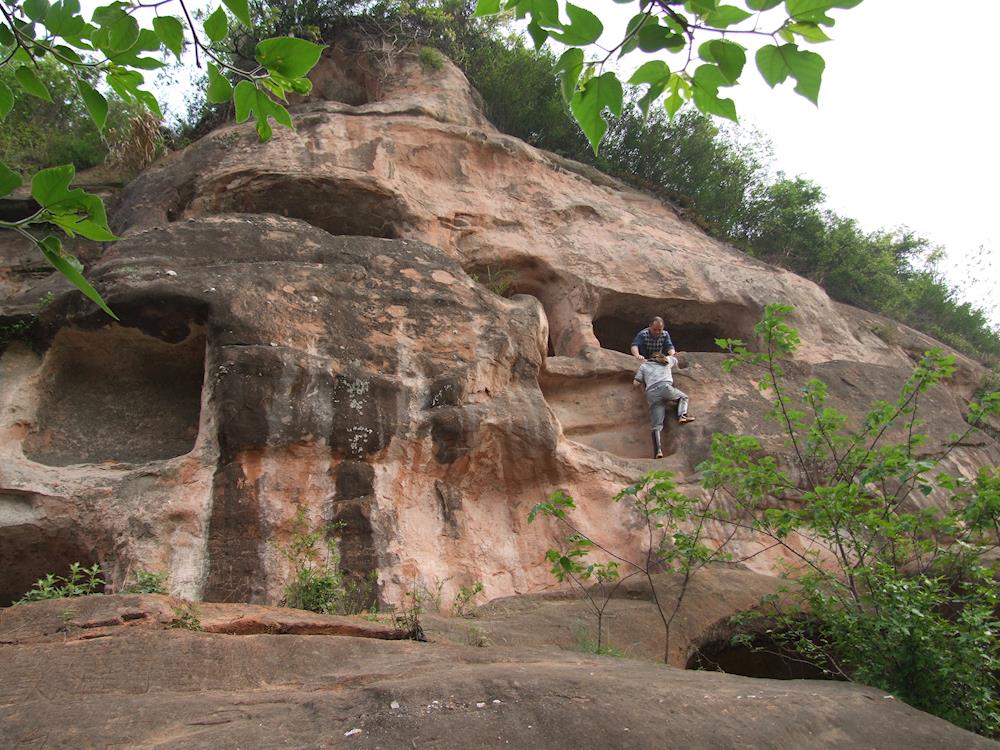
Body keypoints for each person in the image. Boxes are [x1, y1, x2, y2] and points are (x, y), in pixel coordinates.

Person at [633, 352, 694, 459]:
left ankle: (658, 451)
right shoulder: (667, 361)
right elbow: (676, 359)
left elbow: (636, 383)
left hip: (652, 394)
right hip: (665, 387)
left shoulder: (644, 366)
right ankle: (682, 416)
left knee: (656, 425)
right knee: (683, 397)